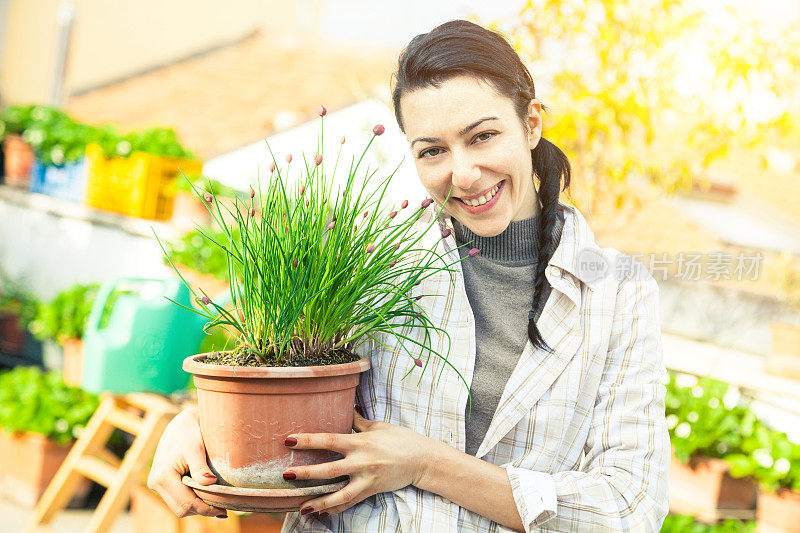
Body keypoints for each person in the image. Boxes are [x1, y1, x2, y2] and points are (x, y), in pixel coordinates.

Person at [148, 19, 670, 532]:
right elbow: (284, 388)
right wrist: (195, 426)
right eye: (433, 150)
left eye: (483, 136)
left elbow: (628, 507)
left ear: (531, 123)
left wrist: (425, 464)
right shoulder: (376, 258)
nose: (463, 174)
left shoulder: (617, 293)